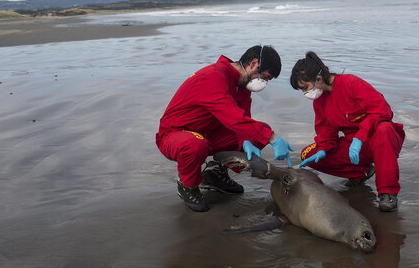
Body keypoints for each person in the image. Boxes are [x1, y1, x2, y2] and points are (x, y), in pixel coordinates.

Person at [156, 45, 293, 212]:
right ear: (254, 63)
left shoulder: (241, 86)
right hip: (175, 134)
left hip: (209, 132)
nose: (263, 83)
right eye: (264, 77)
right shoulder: (213, 76)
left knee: (256, 133)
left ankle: (214, 173)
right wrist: (273, 138)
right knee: (195, 144)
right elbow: (233, 117)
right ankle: (187, 186)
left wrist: (247, 142)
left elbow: (244, 119)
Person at [290, 51, 405, 212]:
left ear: (318, 78)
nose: (305, 93)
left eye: (305, 87)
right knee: (308, 155)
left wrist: (360, 136)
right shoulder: (320, 101)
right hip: (355, 147)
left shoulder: (350, 83)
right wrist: (322, 149)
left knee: (384, 128)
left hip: (379, 140)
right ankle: (361, 172)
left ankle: (387, 193)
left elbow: (382, 111)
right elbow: (326, 133)